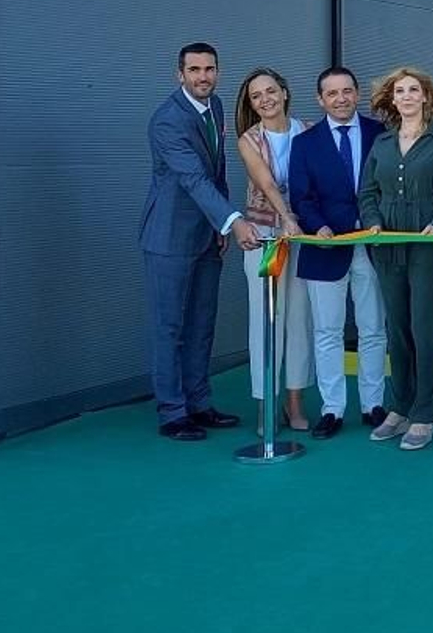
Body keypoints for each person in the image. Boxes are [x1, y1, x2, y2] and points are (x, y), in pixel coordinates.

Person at [139, 42, 261, 441]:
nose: (203, 77)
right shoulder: (168, 121)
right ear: (180, 75)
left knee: (201, 324)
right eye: (194, 70)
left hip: (208, 236)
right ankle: (172, 413)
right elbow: (192, 177)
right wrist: (233, 221)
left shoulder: (217, 108)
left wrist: (217, 227)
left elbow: (217, 172)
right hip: (169, 237)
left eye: (209, 69)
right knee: (169, 326)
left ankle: (199, 403)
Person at [358, 67, 433, 451]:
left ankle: (426, 411)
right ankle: (400, 405)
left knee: (427, 329)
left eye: (413, 89)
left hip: (429, 245)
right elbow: (367, 192)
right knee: (398, 329)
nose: (405, 96)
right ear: (391, 99)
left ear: (426, 96)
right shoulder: (382, 144)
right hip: (388, 245)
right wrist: (372, 224)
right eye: (398, 90)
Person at [288, 66, 387, 440]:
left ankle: (372, 404)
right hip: (325, 247)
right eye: (332, 93)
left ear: (357, 93)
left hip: (373, 246)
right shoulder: (306, 143)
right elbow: (302, 196)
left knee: (373, 329)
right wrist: (318, 227)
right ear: (320, 99)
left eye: (347, 91)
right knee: (327, 331)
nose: (341, 99)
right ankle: (332, 408)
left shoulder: (381, 134)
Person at [233, 67, 313, 434]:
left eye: (270, 91)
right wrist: (286, 219)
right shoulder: (248, 139)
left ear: (284, 92)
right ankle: (268, 402)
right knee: (265, 320)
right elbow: (265, 182)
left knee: (299, 319)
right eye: (256, 96)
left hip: (304, 236)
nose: (264, 100)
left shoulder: (309, 132)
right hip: (266, 236)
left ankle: (295, 402)